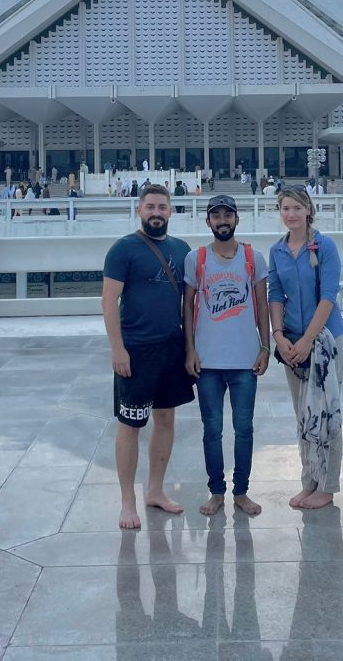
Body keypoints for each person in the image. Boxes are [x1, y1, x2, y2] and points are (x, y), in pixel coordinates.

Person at [102, 183, 194, 530]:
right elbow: (108, 300)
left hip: (172, 347)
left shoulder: (181, 249)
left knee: (166, 419)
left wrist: (190, 347)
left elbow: (188, 303)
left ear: (171, 212)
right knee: (130, 424)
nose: (156, 212)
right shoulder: (123, 249)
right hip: (137, 350)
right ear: (139, 210)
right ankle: (128, 501)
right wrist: (117, 347)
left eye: (162, 207)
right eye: (150, 207)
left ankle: (155, 489)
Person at [183, 195, 270, 517]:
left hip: (245, 361)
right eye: (216, 215)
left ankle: (242, 491)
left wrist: (265, 347)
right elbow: (187, 307)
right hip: (207, 362)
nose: (222, 220)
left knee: (244, 428)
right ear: (208, 221)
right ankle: (216, 492)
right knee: (212, 429)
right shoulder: (197, 259)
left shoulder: (253, 257)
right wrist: (190, 349)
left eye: (228, 215)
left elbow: (262, 304)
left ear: (236, 220)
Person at [268, 186, 343, 509]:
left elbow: (328, 296)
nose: (291, 214)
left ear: (308, 210)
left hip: (324, 341)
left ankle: (327, 486)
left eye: (297, 208)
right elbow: (274, 294)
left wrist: (306, 340)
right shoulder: (278, 250)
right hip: (292, 343)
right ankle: (309, 481)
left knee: (327, 414)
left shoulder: (324, 246)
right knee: (303, 415)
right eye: (286, 208)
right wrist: (279, 335)